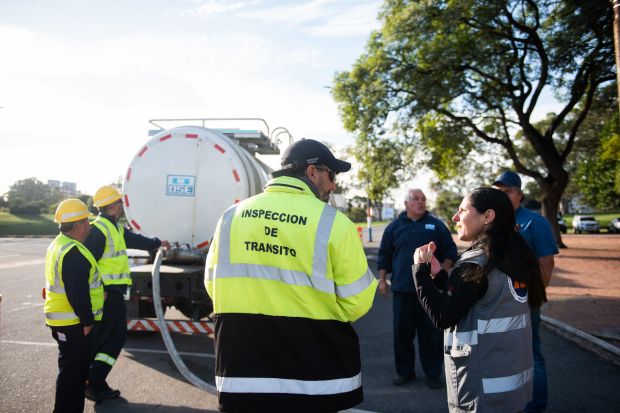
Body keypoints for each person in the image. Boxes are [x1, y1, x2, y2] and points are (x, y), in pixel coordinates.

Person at [205, 139, 377, 413]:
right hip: (314, 378)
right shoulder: (334, 223)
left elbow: (213, 285)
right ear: (312, 173)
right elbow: (358, 301)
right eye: (332, 175)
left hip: (242, 374)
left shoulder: (229, 217)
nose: (333, 185)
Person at [412, 188, 548, 413]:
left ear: (488, 216)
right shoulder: (513, 255)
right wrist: (443, 276)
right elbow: (479, 296)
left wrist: (420, 272)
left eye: (463, 210)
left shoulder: (474, 264)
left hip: (481, 390)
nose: (455, 217)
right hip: (513, 385)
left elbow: (441, 316)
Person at [84, 186, 170, 402]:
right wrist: (98, 292)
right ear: (113, 206)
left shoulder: (116, 229)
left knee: (116, 336)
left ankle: (94, 379)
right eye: (120, 202)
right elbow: (87, 265)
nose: (123, 205)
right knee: (105, 337)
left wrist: (159, 243)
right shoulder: (99, 231)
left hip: (115, 294)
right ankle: (91, 380)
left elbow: (137, 240)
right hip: (106, 295)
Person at [377, 189, 457, 389]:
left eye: (423, 199)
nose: (421, 202)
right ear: (406, 203)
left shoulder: (437, 225)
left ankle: (433, 373)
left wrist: (441, 274)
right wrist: (381, 280)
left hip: (430, 291)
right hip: (403, 290)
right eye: (415, 199)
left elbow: (450, 251)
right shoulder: (394, 227)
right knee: (402, 334)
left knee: (431, 334)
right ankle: (405, 372)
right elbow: (384, 255)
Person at [492, 171, 559, 413]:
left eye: (508, 191)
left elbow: (546, 263)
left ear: (519, 194)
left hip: (525, 302)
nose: (503, 196)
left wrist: (535, 297)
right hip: (498, 305)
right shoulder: (493, 221)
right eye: (498, 192)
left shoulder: (535, 222)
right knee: (506, 357)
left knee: (531, 356)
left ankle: (535, 405)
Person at [44, 199, 104, 412]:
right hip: (73, 323)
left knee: (72, 373)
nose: (89, 225)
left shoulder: (60, 244)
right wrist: (87, 321)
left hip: (64, 321)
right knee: (73, 376)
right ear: (79, 225)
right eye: (87, 220)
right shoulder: (74, 253)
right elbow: (77, 292)